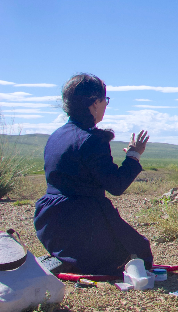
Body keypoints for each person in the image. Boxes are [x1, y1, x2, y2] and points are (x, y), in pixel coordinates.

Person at [34, 73, 153, 276]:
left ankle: (67, 257)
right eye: (105, 100)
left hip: (50, 223)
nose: (106, 105)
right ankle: (75, 261)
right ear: (94, 103)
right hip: (80, 219)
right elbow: (116, 186)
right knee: (139, 255)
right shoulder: (91, 140)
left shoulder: (57, 135)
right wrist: (133, 156)